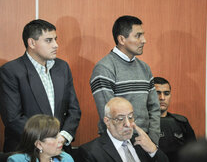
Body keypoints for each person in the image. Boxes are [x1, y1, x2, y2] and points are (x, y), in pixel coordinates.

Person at [0, 19, 81, 153]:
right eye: (49, 40)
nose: (56, 45)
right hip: (26, 150)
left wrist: (63, 136)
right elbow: (13, 119)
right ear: (32, 43)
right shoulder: (11, 71)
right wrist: (47, 141)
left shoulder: (62, 67)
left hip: (60, 149)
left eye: (55, 39)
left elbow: (74, 110)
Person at [90, 15, 160, 145]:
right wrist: (129, 145)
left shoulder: (145, 68)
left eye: (143, 35)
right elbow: (110, 116)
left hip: (146, 141)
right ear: (122, 39)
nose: (144, 40)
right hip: (119, 144)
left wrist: (152, 141)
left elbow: (154, 108)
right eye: (138, 36)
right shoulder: (104, 68)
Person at [76, 97, 168, 162]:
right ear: (107, 121)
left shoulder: (141, 142)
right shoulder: (90, 152)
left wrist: (153, 149)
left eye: (131, 117)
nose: (128, 124)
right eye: (120, 119)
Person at [154, 77, 196, 162]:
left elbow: (193, 154)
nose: (162, 98)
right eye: (157, 93)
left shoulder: (181, 122)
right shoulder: (142, 123)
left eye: (166, 93)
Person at [7, 114, 74, 162]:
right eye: (54, 137)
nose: (61, 139)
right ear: (39, 144)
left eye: (59, 134)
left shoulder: (66, 158)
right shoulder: (17, 160)